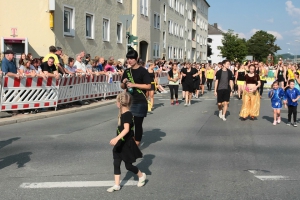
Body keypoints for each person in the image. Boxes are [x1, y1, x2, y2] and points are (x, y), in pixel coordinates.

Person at [107, 92, 146, 193]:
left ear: (120, 103)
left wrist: (116, 138)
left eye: (116, 101)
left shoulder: (127, 114)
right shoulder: (123, 114)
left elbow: (126, 129)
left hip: (126, 144)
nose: (116, 103)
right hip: (120, 144)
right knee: (116, 162)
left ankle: (141, 176)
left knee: (128, 166)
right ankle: (116, 185)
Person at [120, 49, 151, 146]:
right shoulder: (127, 71)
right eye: (128, 58)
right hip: (129, 101)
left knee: (137, 124)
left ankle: (136, 145)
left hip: (140, 101)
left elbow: (148, 86)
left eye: (132, 58)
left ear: (136, 59)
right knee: (127, 123)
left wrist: (134, 85)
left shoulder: (143, 71)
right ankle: (129, 141)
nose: (129, 60)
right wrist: (124, 83)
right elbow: (122, 86)